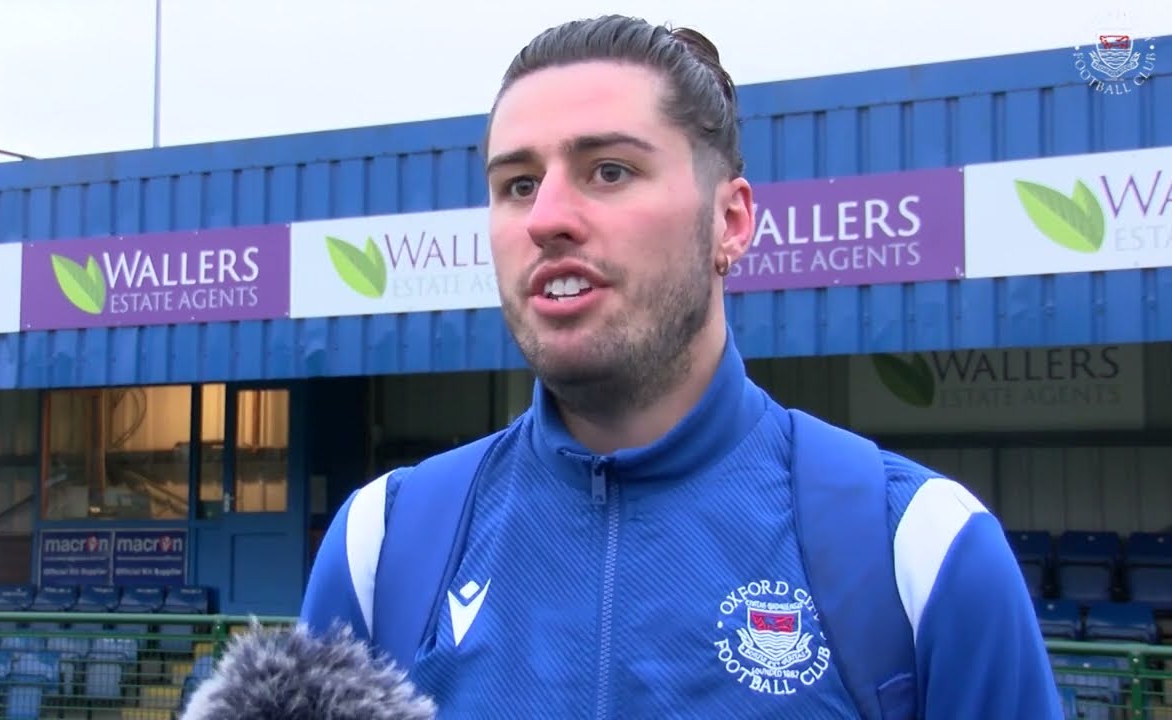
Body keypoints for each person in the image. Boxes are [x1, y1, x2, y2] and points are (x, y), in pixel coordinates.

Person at [300, 14, 1063, 719]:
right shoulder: (382, 548)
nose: (546, 218)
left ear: (729, 221)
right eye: (518, 185)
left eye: (609, 171)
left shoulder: (920, 550)